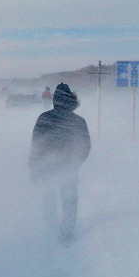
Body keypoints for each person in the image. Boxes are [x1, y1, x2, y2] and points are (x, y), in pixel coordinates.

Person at [29, 83, 91, 243]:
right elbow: (85, 146)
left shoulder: (44, 118)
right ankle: (66, 233)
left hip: (47, 167)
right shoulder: (78, 121)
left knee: (48, 199)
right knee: (69, 201)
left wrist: (34, 167)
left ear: (55, 100)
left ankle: (50, 229)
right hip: (69, 168)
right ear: (71, 100)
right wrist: (76, 162)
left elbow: (36, 145)